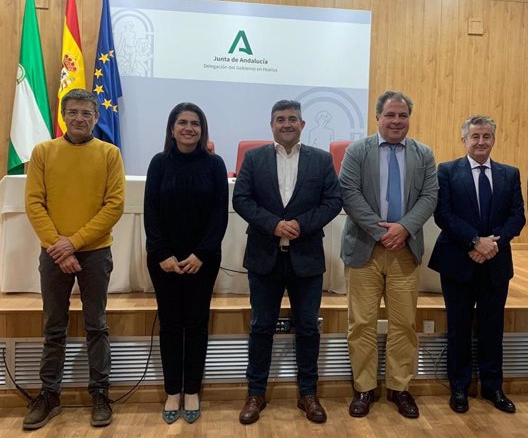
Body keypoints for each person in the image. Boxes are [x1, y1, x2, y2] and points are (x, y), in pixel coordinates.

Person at [232, 99, 342, 425]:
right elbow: (241, 199)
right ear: (271, 125)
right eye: (280, 119)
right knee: (261, 327)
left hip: (306, 258)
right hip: (264, 257)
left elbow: (334, 201)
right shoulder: (254, 158)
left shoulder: (321, 161)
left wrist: (302, 224)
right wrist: (273, 224)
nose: (287, 124)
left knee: (308, 328)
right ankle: (256, 393)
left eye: (292, 119)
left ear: (302, 124)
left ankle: (308, 394)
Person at [23, 89, 125, 430]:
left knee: (97, 324)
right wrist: (59, 247)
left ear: (96, 118)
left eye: (86, 113)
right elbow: (35, 203)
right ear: (63, 117)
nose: (79, 118)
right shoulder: (43, 153)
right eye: (73, 112)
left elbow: (114, 206)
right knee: (54, 327)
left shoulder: (110, 154)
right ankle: (49, 395)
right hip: (54, 254)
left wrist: (74, 243)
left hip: (95, 253)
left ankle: (100, 393)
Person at [340, 90, 438, 419]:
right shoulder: (358, 151)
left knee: (403, 324)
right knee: (362, 323)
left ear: (409, 118)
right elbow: (348, 194)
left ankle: (399, 387)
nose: (397, 121)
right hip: (364, 249)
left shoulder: (424, 154)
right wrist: (381, 231)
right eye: (390, 115)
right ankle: (364, 388)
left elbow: (429, 196)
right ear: (378, 118)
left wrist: (404, 228)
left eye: (403, 115)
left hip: (405, 249)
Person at [428, 115, 525, 414]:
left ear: (494, 139)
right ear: (464, 140)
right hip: (458, 261)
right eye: (475, 136)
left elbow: (517, 217)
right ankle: (459, 388)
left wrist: (491, 244)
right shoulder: (446, 171)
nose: (481, 141)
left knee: (492, 327)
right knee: (458, 327)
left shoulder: (509, 174)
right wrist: (474, 242)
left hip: (495, 262)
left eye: (486, 136)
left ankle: (493, 387)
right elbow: (442, 214)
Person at [144, 102, 229, 424]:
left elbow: (219, 215)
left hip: (202, 260)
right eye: (182, 122)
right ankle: (172, 391)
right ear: (171, 128)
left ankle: (191, 389)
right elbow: (150, 212)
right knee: (170, 325)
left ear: (202, 129)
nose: (188, 128)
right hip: (163, 261)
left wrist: (201, 255)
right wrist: (162, 254)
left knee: (195, 324)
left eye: (195, 123)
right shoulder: (158, 163)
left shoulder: (215, 164)